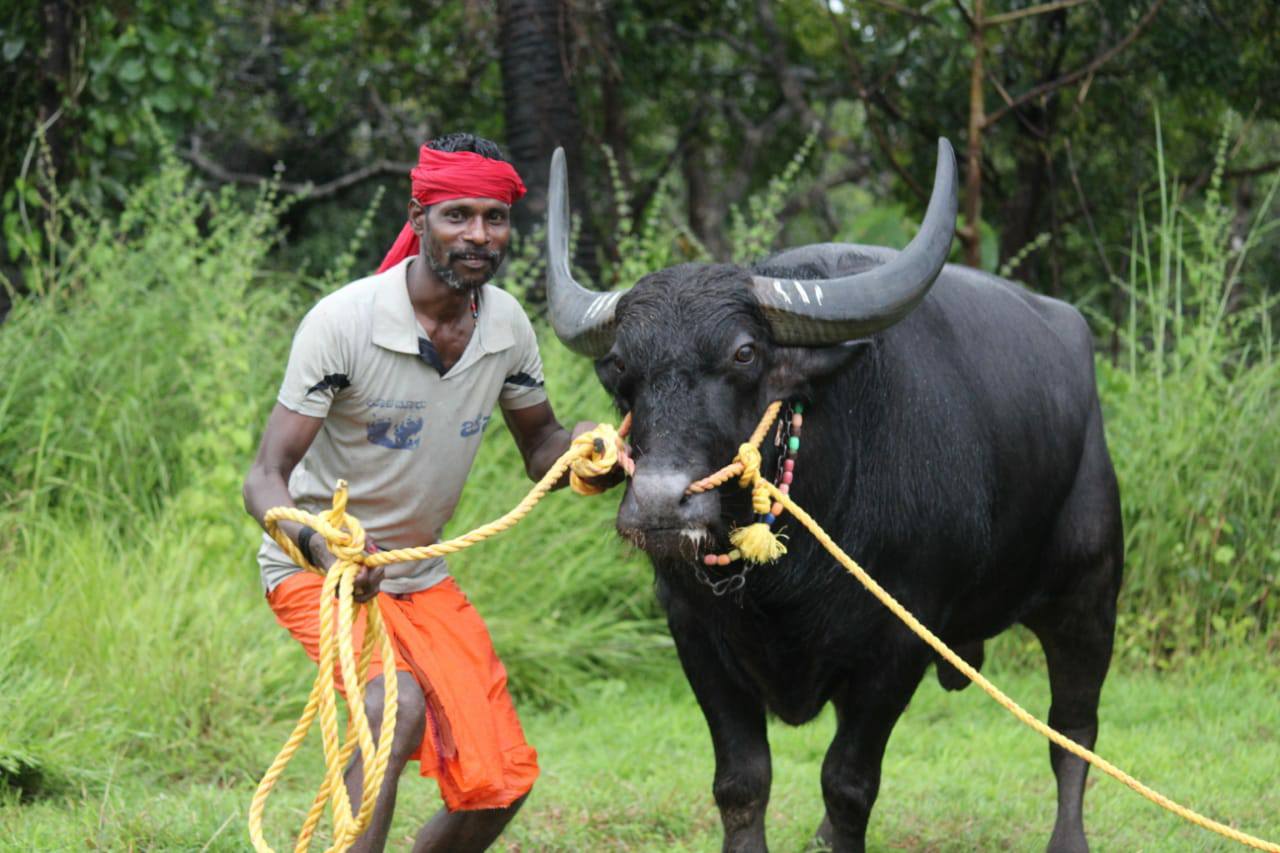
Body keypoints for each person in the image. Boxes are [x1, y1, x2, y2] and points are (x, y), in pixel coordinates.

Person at [243, 132, 614, 852]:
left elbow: (540, 444)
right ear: (419, 219)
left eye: (495, 217)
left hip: (420, 574)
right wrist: (323, 547)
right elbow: (264, 479)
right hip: (320, 573)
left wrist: (587, 453)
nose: (479, 234)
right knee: (394, 704)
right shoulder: (343, 321)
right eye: (458, 215)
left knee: (500, 783)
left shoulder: (505, 325)